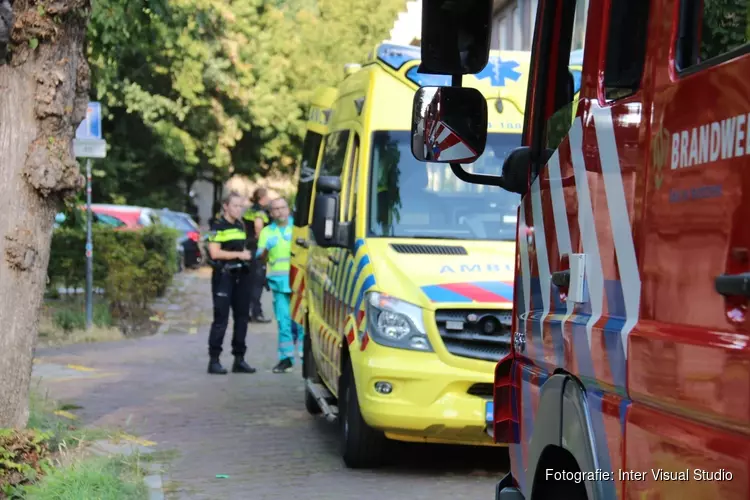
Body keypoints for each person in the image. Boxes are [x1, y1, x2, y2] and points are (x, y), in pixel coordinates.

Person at [205, 191, 256, 375]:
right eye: (235, 205)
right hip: (224, 277)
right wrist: (239, 255)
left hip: (241, 276)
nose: (239, 209)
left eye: (241, 206)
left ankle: (239, 359)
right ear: (225, 206)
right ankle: (214, 360)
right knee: (221, 319)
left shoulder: (240, 225)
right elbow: (215, 253)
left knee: (242, 318)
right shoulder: (217, 226)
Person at [256, 197, 299, 374]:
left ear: (288, 209)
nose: (280, 211)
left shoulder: (298, 229)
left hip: (299, 283)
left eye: (283, 207)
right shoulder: (267, 232)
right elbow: (260, 258)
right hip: (279, 284)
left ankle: (306, 357)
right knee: (284, 322)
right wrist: (266, 248)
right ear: (271, 213)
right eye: (276, 209)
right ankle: (286, 359)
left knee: (302, 324)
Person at [243, 187, 272, 323]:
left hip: (248, 247)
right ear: (262, 198)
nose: (269, 199)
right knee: (257, 282)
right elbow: (258, 228)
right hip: (257, 249)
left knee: (250, 281)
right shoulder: (260, 213)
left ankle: (247, 311)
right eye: (267, 196)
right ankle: (256, 313)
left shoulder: (249, 211)